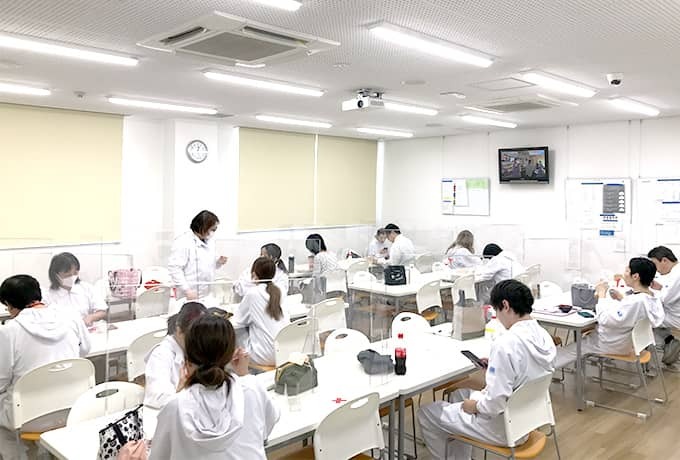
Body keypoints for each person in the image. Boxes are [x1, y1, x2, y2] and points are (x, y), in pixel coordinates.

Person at [418, 279, 556, 459]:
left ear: (505, 305)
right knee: (459, 394)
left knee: (427, 412)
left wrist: (473, 406)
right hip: (527, 419)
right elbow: (527, 369)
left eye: (496, 311)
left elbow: (495, 404)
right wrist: (497, 365)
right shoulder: (543, 336)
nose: (497, 317)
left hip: (503, 428)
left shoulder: (506, 343)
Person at [149, 314, 279, 460]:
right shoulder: (252, 388)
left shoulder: (176, 406)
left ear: (188, 356)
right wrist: (244, 374)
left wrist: (181, 389)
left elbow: (158, 456)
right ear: (231, 354)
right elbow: (266, 428)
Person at [0, 275, 90, 459]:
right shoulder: (71, 318)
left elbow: (1, 381)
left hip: (27, 417)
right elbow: (85, 350)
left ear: (10, 305)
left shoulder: (9, 331)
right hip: (72, 409)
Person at [554, 258, 665, 369]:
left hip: (611, 343)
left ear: (635, 276)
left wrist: (601, 294)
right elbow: (634, 311)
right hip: (630, 342)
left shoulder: (636, 302)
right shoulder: (651, 297)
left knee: (572, 349)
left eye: (627, 271)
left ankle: (546, 370)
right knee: (582, 340)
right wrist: (622, 299)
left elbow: (604, 320)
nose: (624, 274)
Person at [144, 302, 207, 409]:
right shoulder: (161, 354)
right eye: (193, 336)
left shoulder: (196, 348)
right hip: (169, 412)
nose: (198, 342)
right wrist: (182, 388)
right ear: (179, 329)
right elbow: (158, 398)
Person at [231, 258, 290, 367]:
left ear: (254, 273)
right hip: (283, 353)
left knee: (238, 330)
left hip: (263, 356)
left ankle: (236, 370)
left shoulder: (253, 293)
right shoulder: (280, 290)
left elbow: (238, 321)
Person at [168, 210, 228, 302]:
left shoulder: (210, 242)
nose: (212, 233)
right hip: (188, 294)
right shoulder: (183, 242)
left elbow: (210, 266)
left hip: (206, 294)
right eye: (212, 229)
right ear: (203, 227)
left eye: (214, 230)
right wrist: (186, 290)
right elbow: (175, 269)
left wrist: (219, 262)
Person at [43, 252, 108, 326]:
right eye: (67, 275)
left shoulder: (86, 288)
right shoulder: (48, 296)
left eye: (75, 273)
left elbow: (102, 311)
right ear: (56, 275)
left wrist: (91, 317)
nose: (72, 277)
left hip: (88, 329)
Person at [647, 246, 680, 368]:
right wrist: (660, 288)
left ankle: (666, 343)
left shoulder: (677, 275)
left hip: (675, 317)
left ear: (664, 260)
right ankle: (669, 341)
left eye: (655, 265)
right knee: (652, 318)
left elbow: (665, 299)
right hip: (673, 312)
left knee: (644, 320)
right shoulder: (676, 272)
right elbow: (670, 293)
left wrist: (647, 291)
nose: (656, 270)